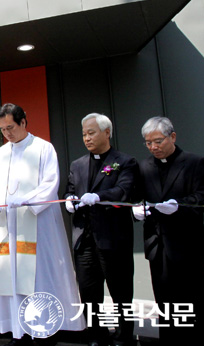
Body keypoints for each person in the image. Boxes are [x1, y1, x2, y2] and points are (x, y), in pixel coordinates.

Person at [0, 103, 85, 345]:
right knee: (13, 277)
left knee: (39, 276)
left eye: (11, 127)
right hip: (9, 226)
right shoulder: (0, 154)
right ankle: (19, 331)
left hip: (37, 225)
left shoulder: (43, 148)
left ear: (24, 122)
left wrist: (27, 201)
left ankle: (44, 331)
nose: (7, 133)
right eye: (3, 129)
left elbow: (50, 183)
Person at [65, 114, 137, 346]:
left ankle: (125, 335)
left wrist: (99, 196)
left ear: (107, 132)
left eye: (91, 132)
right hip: (83, 239)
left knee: (121, 291)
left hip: (113, 237)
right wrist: (68, 199)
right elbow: (70, 189)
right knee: (89, 291)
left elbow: (124, 190)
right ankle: (97, 334)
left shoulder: (124, 162)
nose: (87, 138)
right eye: (84, 133)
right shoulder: (77, 164)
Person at [133, 116, 204, 346]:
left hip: (188, 247)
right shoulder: (144, 167)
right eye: (148, 143)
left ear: (172, 136)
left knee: (192, 302)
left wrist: (178, 206)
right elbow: (137, 198)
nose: (153, 147)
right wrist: (137, 209)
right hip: (158, 246)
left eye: (158, 141)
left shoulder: (195, 163)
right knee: (164, 304)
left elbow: (201, 197)